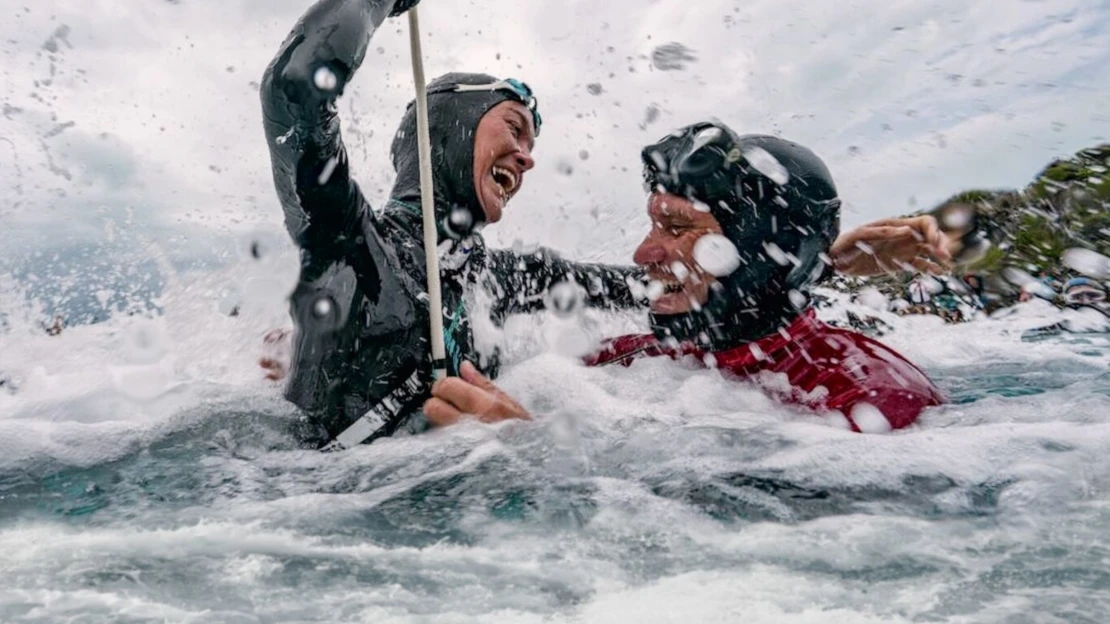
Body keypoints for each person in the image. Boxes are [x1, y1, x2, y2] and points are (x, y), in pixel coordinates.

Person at [260, 0, 953, 445]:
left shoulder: (497, 276)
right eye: (516, 129)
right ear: (446, 128)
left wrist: (816, 260)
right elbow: (296, 88)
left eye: (533, 143)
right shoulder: (351, 253)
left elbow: (668, 284)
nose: (528, 158)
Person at [425, 122, 946, 433]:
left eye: (676, 227)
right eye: (653, 223)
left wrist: (523, 452)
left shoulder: (871, 395)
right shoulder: (633, 356)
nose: (643, 251)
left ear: (760, 252)